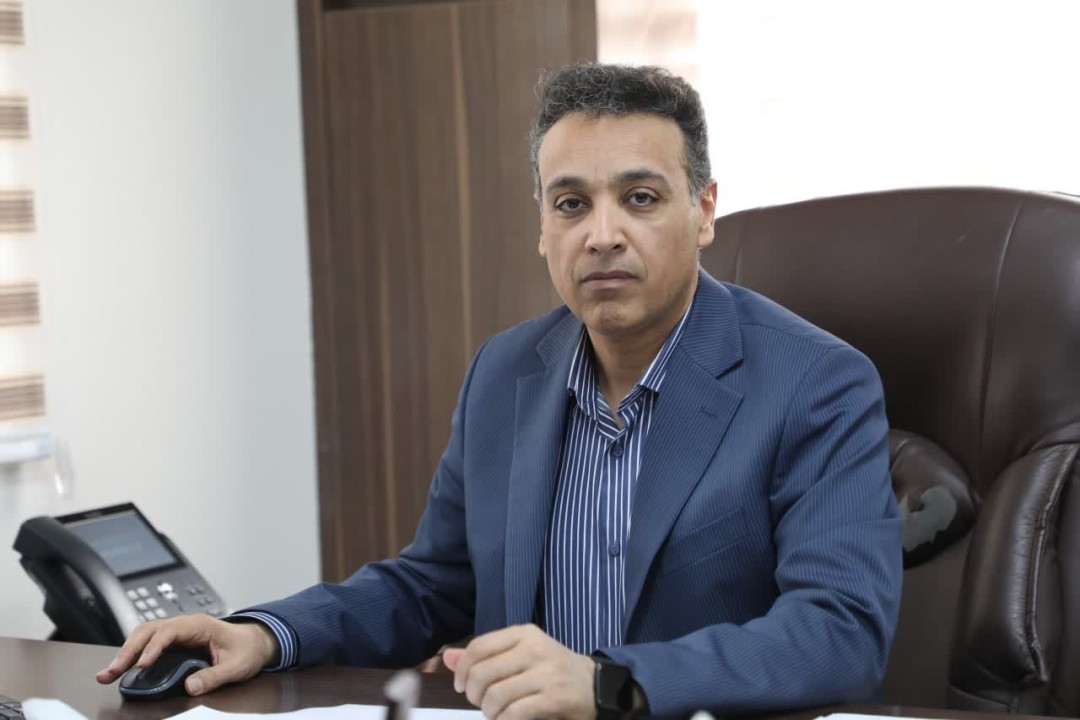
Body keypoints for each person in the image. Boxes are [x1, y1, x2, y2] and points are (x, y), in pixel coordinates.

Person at [96, 63, 902, 719]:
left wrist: (608, 685)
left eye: (641, 198)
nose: (603, 235)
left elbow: (840, 631)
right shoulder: (506, 371)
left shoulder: (815, 382)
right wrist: (268, 633)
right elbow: (435, 585)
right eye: (571, 204)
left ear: (704, 211)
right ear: (542, 227)